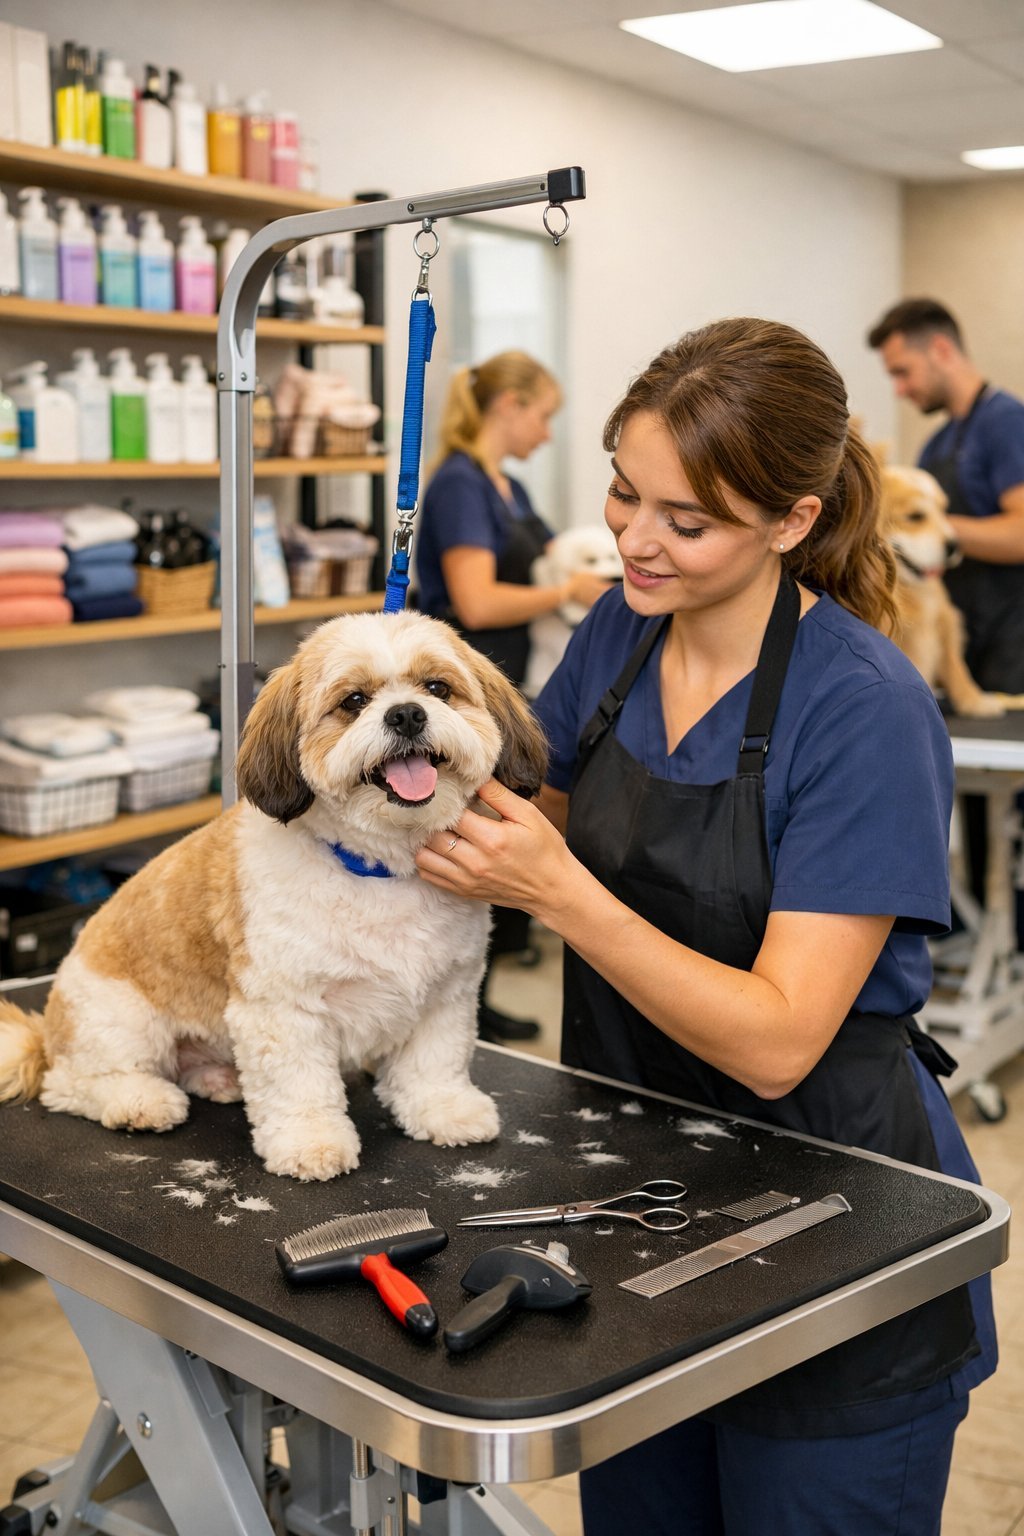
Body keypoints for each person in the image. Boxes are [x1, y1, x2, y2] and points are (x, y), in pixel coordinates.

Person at [416, 318, 997, 1536]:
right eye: (624, 495)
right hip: (637, 1191)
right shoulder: (619, 635)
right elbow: (522, 814)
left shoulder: (863, 710)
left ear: (789, 521)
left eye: (685, 521)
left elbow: (780, 1038)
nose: (633, 538)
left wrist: (560, 891)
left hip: (832, 1209)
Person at [417, 351, 610, 1043]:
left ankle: (476, 994)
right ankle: (446, 1006)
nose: (548, 433)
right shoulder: (460, 486)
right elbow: (475, 598)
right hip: (459, 691)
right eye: (545, 416)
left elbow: (557, 555)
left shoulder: (512, 490)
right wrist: (567, 594)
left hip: (509, 685)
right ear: (510, 406)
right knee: (465, 843)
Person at [869, 297, 1024, 921]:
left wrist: (926, 524)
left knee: (1011, 812)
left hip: (1012, 635)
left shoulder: (1005, 423)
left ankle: (1011, 938)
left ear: (941, 349)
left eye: (903, 372)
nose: (901, 389)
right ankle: (967, 929)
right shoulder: (937, 445)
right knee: (963, 803)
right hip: (959, 637)